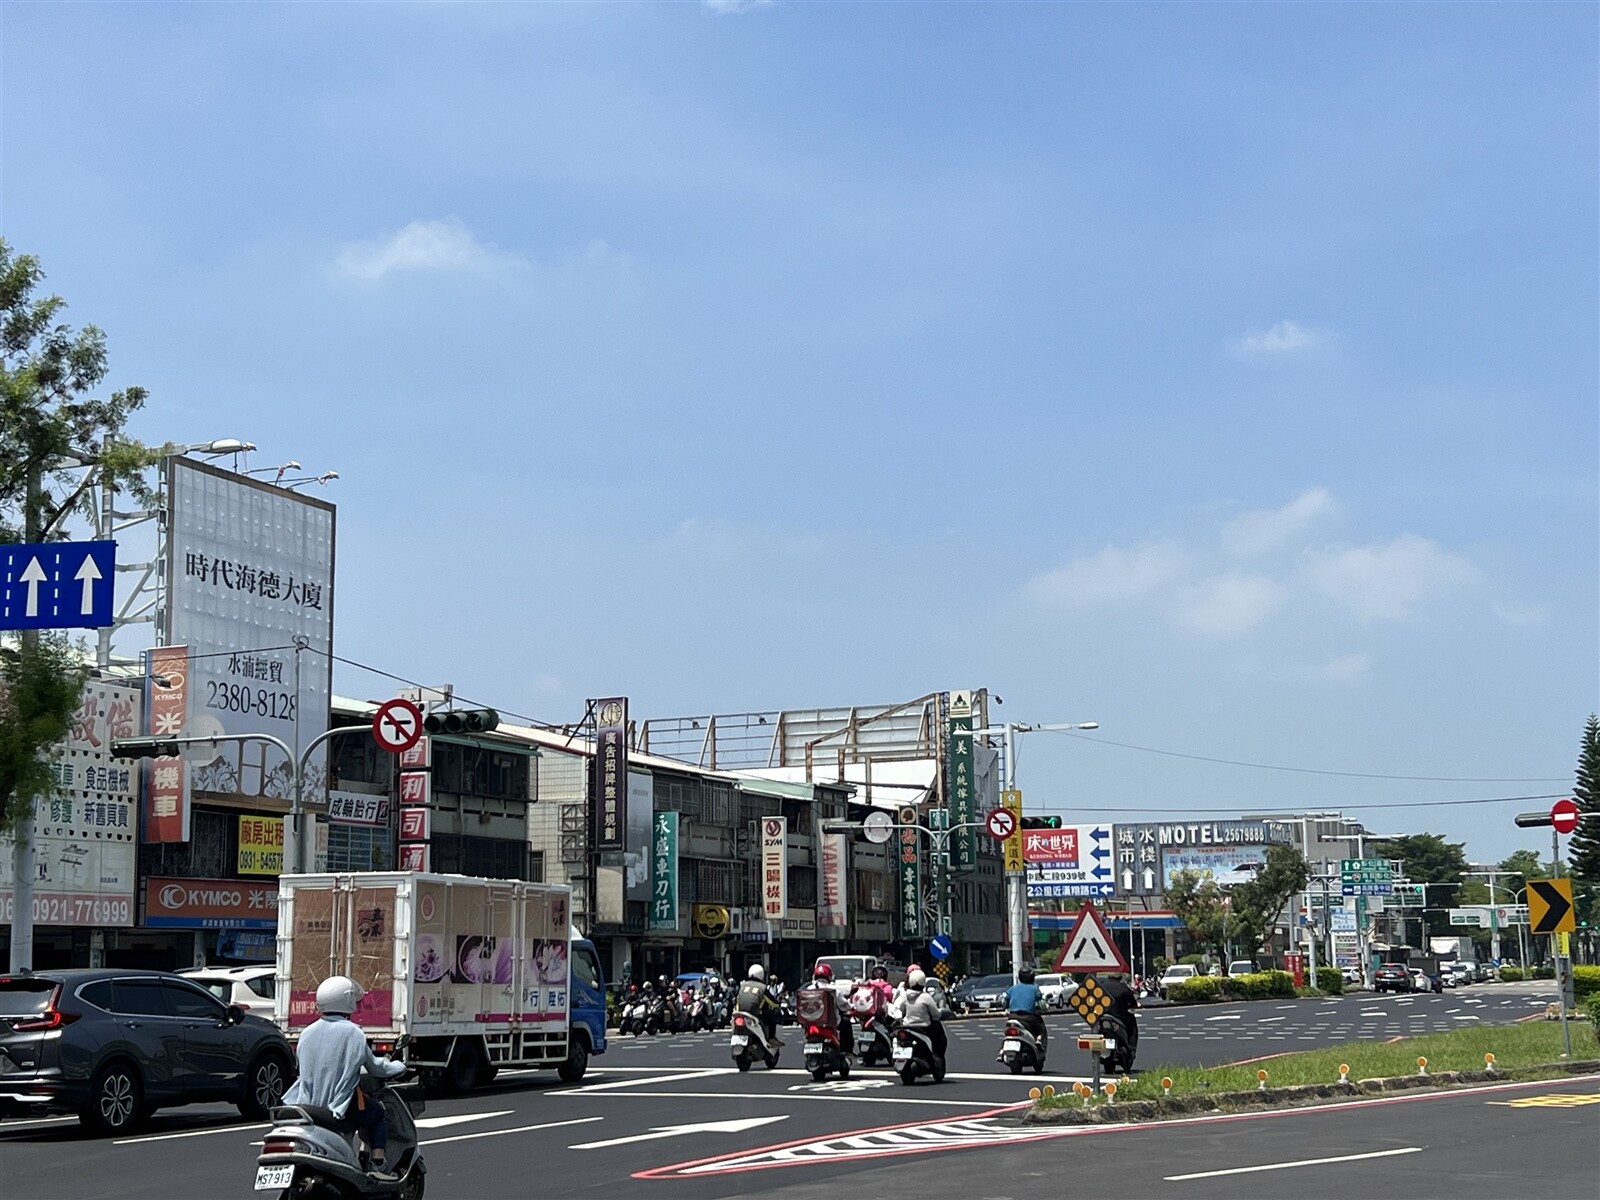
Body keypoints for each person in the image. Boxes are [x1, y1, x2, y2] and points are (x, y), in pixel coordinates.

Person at [282, 976, 406, 1179]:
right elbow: (376, 1068)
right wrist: (399, 1066)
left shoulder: (306, 1033)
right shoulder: (353, 1033)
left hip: (308, 1106)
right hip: (340, 1108)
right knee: (378, 1114)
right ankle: (377, 1165)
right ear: (348, 1001)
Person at [897, 968, 950, 1061]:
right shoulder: (926, 997)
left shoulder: (905, 996)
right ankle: (937, 1058)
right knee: (940, 1037)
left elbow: (900, 1010)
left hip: (907, 1026)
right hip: (924, 1027)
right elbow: (936, 1014)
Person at [1002, 966, 1048, 1056]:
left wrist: (1007, 1006)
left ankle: (1001, 1051)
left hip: (1013, 1016)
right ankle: (1038, 1040)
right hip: (1029, 1018)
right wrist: (1043, 1009)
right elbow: (1041, 1004)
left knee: (1007, 1035)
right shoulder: (1034, 988)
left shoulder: (1013, 988)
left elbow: (1004, 1000)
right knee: (1040, 1029)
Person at [735, 963, 782, 1045]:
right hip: (755, 1015)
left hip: (739, 1013)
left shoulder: (742, 985)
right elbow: (774, 1003)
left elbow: (737, 999)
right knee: (772, 1015)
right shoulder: (762, 988)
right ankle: (771, 1038)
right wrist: (778, 1004)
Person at [1097, 972, 1140, 1054]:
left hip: (1102, 1016)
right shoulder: (1123, 987)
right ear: (1120, 978)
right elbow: (1132, 1002)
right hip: (1119, 1016)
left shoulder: (1101, 987)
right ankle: (1131, 1048)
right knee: (1132, 1025)